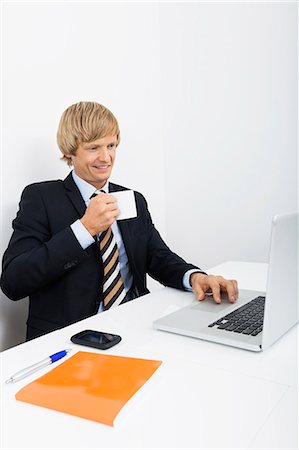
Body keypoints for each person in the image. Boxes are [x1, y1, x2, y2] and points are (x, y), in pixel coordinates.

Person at [0, 102, 238, 340]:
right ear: (69, 152)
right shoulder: (42, 198)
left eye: (111, 145)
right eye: (94, 148)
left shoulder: (132, 199)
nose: (106, 157)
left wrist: (196, 277)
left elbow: (159, 258)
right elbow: (13, 281)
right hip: (72, 339)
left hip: (135, 328)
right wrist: (84, 229)